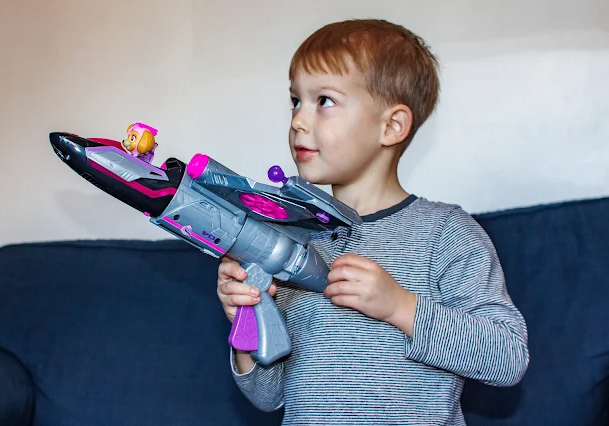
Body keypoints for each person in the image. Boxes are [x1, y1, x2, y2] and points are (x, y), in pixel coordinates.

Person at [216, 18, 529, 425]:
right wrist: (246, 319)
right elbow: (268, 395)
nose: (298, 120)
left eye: (324, 100)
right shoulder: (291, 242)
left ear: (391, 126)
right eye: (296, 100)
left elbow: (507, 356)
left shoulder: (446, 234)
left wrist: (400, 306)